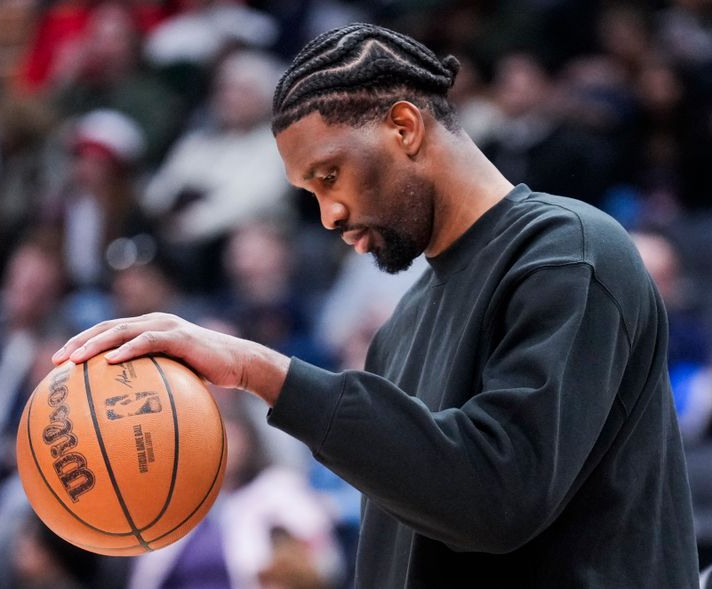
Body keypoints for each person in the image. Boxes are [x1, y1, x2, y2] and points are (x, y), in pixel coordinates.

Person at [52, 23, 700, 588]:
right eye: (309, 193)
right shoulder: (402, 327)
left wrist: (259, 370)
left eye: (329, 175)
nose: (328, 214)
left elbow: (499, 494)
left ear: (403, 126)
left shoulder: (568, 254)